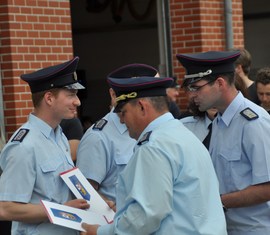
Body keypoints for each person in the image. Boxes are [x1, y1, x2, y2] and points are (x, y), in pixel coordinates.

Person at [80, 72, 227, 235]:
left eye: (124, 113)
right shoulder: (181, 134)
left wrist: (102, 232)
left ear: (142, 107)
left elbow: (147, 215)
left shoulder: (154, 147)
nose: (122, 120)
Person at [177, 50, 270, 235]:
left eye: (196, 87)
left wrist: (218, 201)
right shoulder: (220, 121)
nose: (192, 95)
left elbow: (267, 187)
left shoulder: (253, 122)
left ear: (219, 83)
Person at [0, 57, 90, 235]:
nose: (77, 102)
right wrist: (62, 210)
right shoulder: (24, 146)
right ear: (49, 98)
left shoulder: (59, 136)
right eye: (71, 95)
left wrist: (96, 205)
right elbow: (6, 208)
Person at [76, 63, 159, 202]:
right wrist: (116, 213)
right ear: (113, 94)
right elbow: (85, 194)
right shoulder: (97, 137)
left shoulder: (153, 127)